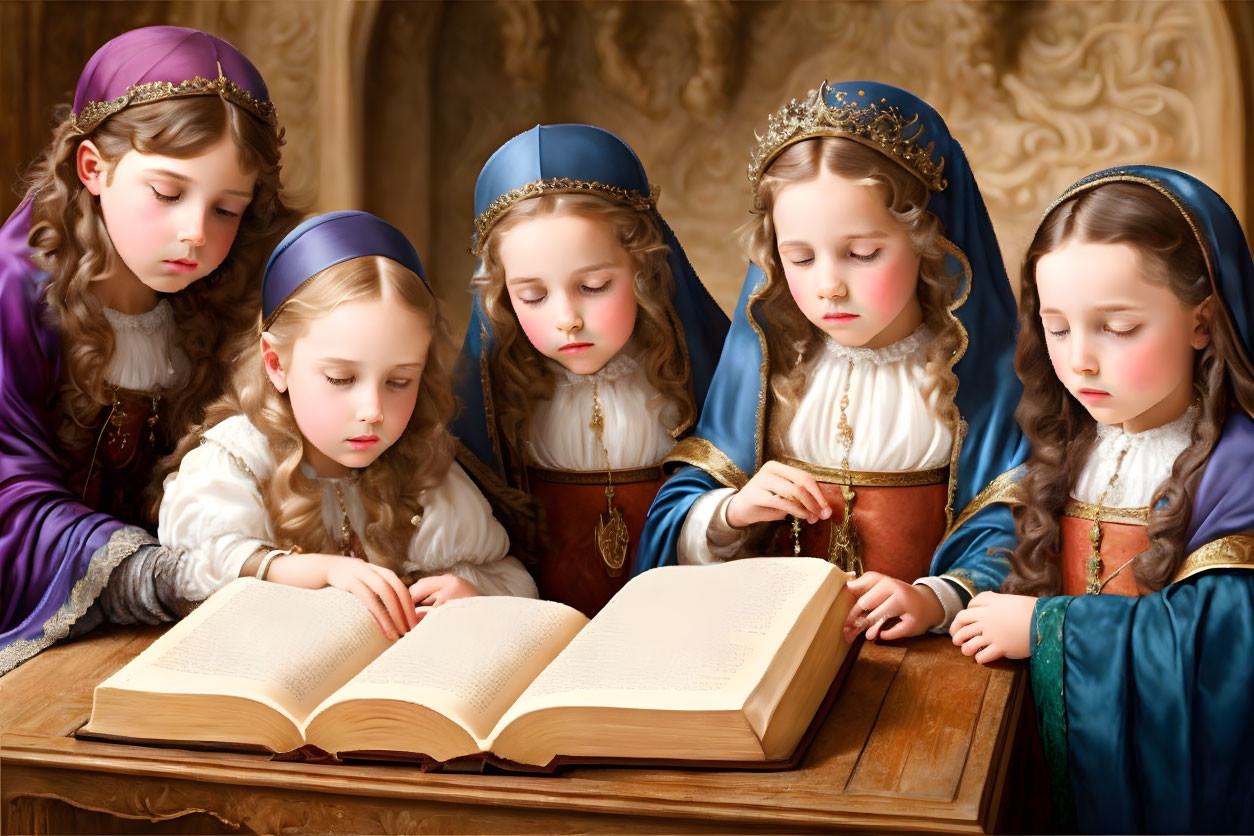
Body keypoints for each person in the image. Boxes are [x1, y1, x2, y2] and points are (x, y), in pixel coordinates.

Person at [637, 81, 1027, 642]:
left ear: (927, 241)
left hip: (926, 654)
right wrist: (731, 512)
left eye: (862, 254)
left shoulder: (975, 374)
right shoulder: (768, 367)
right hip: (773, 647)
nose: (828, 286)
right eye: (799, 257)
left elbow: (1013, 522)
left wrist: (935, 597)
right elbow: (682, 507)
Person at [950, 166, 1254, 833]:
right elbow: (998, 548)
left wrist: (1045, 629)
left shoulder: (1239, 474)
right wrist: (940, 593)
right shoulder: (1066, 443)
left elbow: (1224, 652)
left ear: (1203, 322)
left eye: (1116, 328)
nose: (1081, 360)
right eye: (1057, 328)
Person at [0, 25, 295, 674]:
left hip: (202, 624)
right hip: (43, 627)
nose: (194, 232)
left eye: (227, 209)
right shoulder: (15, 295)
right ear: (93, 169)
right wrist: (159, 575)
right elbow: (7, 499)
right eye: (167, 194)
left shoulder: (232, 295)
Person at [159, 211, 537, 639]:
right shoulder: (235, 461)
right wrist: (312, 570)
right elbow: (188, 573)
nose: (372, 410)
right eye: (341, 379)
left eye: (399, 381)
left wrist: (473, 594)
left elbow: (509, 578)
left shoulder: (423, 468)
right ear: (276, 364)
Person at [452, 124, 728, 616]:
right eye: (533, 296)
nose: (567, 319)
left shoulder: (702, 379)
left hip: (680, 621)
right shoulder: (494, 405)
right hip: (541, 635)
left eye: (595, 285)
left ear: (643, 270)